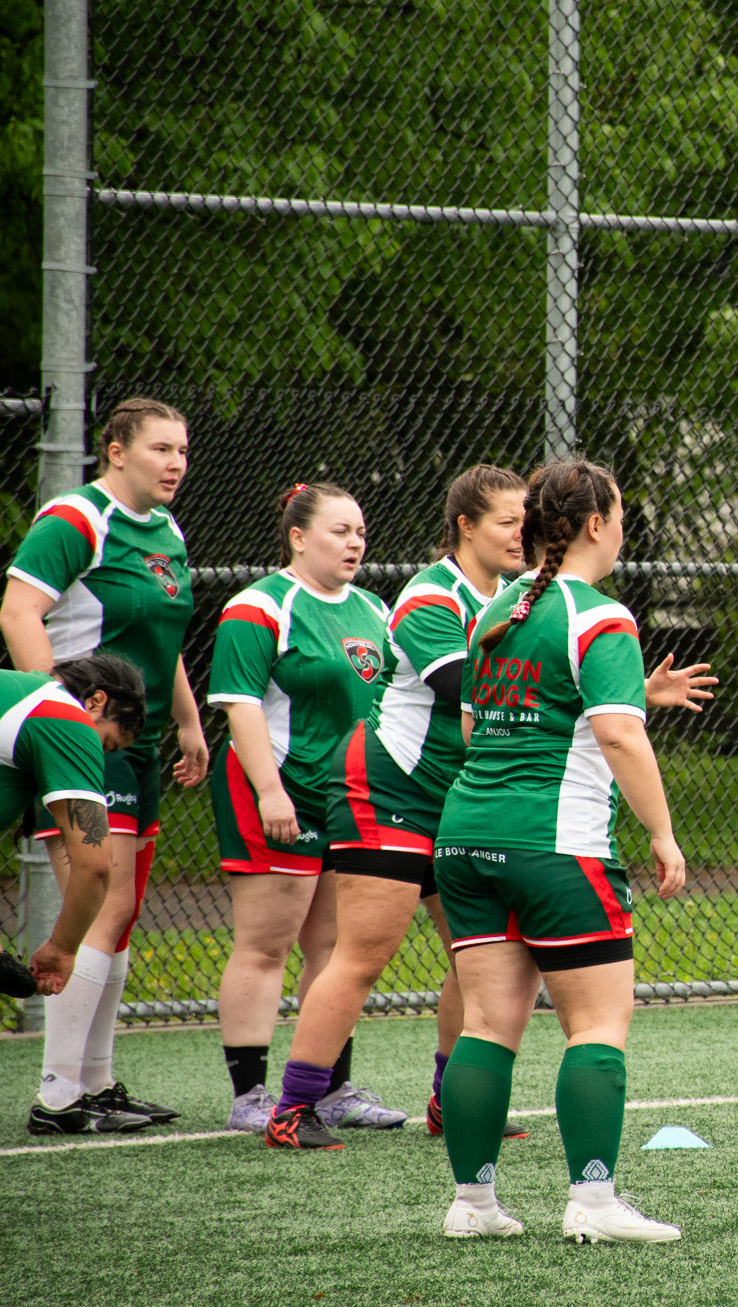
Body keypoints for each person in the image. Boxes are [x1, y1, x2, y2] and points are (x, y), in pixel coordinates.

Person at [431, 460, 709, 1241]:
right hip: (556, 847)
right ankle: (593, 1202)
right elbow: (619, 734)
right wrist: (662, 831)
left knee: (486, 1024)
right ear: (594, 525)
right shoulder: (601, 616)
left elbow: (472, 726)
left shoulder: (497, 608)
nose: (621, 528)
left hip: (466, 835)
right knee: (596, 1027)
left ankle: (474, 1205)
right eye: (618, 515)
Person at [263, 465, 529, 1150]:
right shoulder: (429, 596)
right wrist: (574, 690)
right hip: (389, 787)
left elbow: (549, 673)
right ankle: (294, 1107)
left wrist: (627, 689)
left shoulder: (522, 595)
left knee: (483, 955)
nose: (521, 532)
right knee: (365, 951)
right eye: (507, 519)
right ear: (466, 524)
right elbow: (466, 685)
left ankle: (453, 1100)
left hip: (459, 794)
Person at [3, 399, 208, 1131]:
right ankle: (58, 1095)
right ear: (115, 451)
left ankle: (97, 1080)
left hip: (137, 742)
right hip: (84, 738)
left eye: (183, 448)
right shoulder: (78, 517)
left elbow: (163, 635)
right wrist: (57, 716)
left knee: (120, 918)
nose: (176, 461)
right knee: (104, 901)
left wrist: (185, 718)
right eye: (160, 447)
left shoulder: (168, 531)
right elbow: (18, 610)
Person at [208, 483, 391, 1132]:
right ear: (297, 536)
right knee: (266, 944)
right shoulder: (260, 606)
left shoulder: (373, 606)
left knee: (334, 944)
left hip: (346, 796)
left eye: (360, 532)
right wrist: (269, 791)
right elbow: (240, 703)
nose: (354, 542)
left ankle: (329, 1087)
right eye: (340, 530)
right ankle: (250, 1094)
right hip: (278, 785)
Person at [3, 657, 150, 1131]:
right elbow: (94, 867)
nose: (98, 755)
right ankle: (60, 1098)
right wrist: (64, 948)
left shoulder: (20, 695)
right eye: (106, 742)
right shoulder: (64, 718)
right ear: (97, 701)